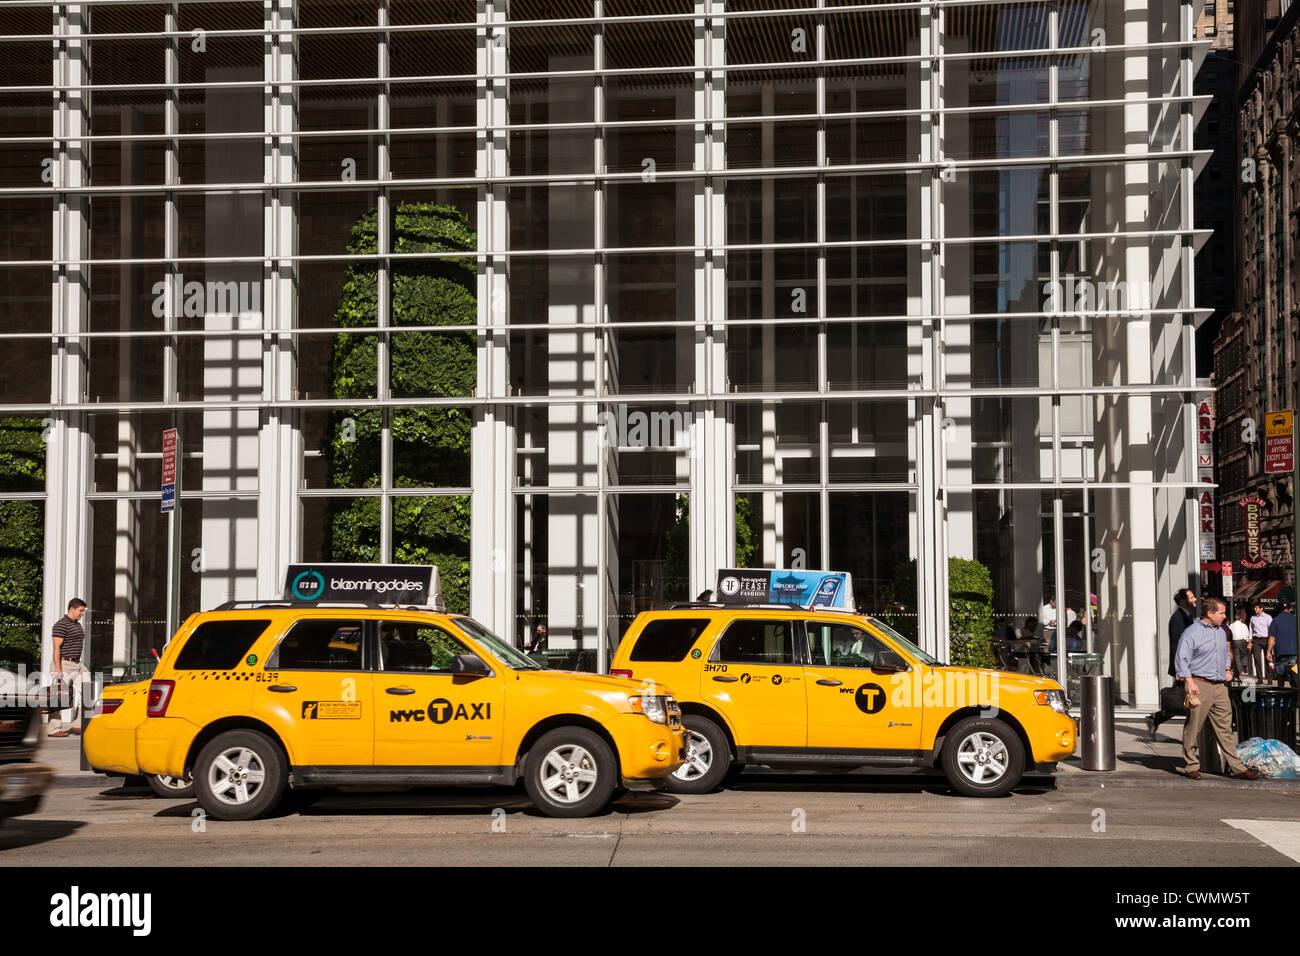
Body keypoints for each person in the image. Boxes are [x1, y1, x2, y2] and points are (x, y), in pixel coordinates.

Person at [1175, 597, 1259, 780]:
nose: (1224, 616)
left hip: (1220, 686)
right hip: (1199, 684)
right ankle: (1191, 765)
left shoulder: (1221, 632)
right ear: (1210, 613)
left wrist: (1228, 669)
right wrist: (1189, 682)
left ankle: (1237, 767)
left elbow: (1224, 654)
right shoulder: (1192, 632)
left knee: (1225, 727)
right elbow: (1182, 658)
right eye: (1221, 613)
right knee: (1193, 726)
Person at [1146, 588, 1197, 736]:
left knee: (1182, 699)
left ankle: (1156, 718)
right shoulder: (1178, 618)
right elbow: (1177, 644)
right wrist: (1178, 669)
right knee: (1184, 700)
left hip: (1186, 666)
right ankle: (1191, 735)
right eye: (1191, 597)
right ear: (1182, 601)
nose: (1195, 599)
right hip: (1183, 668)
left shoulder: (1186, 616)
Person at [47, 598, 88, 738]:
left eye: (83, 611)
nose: (82, 613)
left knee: (87, 690)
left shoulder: (77, 624)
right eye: (80, 610)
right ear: (72, 608)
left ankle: (78, 724)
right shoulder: (60, 625)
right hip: (63, 664)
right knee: (59, 696)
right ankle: (53, 728)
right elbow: (56, 648)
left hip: (77, 664)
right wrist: (58, 668)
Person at [1267, 602, 1297, 685]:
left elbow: (1272, 638)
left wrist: (1268, 651)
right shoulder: (1296, 619)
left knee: (1280, 676)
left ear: (1279, 608)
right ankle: (1295, 693)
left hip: (1281, 652)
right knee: (1295, 675)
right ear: (1290, 608)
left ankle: (1281, 695)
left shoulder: (1275, 620)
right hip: (1294, 651)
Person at [1249, 602, 1272, 680]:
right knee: (1256, 658)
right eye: (1254, 608)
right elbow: (1251, 630)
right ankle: (1260, 678)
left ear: (1261, 608)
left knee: (1268, 658)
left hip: (1266, 639)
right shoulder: (1252, 618)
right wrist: (1250, 642)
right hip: (1256, 640)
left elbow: (1271, 629)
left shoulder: (1268, 617)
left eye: (1256, 608)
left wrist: (1271, 640)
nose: (1255, 609)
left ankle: (1269, 679)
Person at [1228, 606, 1252, 681]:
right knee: (1244, 654)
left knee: (1237, 656)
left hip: (1235, 641)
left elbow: (1230, 634)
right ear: (1241, 619)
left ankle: (1239, 670)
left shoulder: (1231, 625)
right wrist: (1247, 641)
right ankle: (1244, 665)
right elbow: (1246, 633)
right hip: (1242, 641)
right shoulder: (1244, 625)